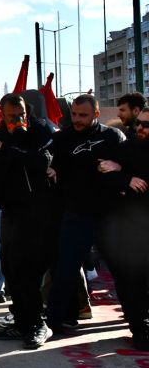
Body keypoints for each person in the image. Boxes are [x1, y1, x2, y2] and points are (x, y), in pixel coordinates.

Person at [0, 93, 55, 349]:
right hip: (9, 209)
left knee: (29, 270)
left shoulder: (41, 129)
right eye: (11, 116)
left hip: (35, 210)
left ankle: (38, 324)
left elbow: (40, 162)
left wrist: (5, 147)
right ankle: (21, 320)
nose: (17, 119)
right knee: (10, 266)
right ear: (3, 114)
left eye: (20, 113)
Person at [45, 94, 125, 335]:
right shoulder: (61, 139)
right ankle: (56, 321)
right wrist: (49, 167)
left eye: (84, 115)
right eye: (75, 115)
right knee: (65, 270)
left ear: (96, 115)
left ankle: (137, 320)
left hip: (109, 217)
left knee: (122, 270)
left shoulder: (112, 137)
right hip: (76, 214)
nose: (77, 119)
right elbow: (47, 161)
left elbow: (131, 162)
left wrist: (118, 166)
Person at [98, 107, 149, 349]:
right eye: (139, 123)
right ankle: (139, 328)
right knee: (132, 281)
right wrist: (124, 179)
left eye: (146, 125)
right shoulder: (126, 148)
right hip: (131, 230)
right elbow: (102, 171)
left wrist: (129, 174)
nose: (140, 128)